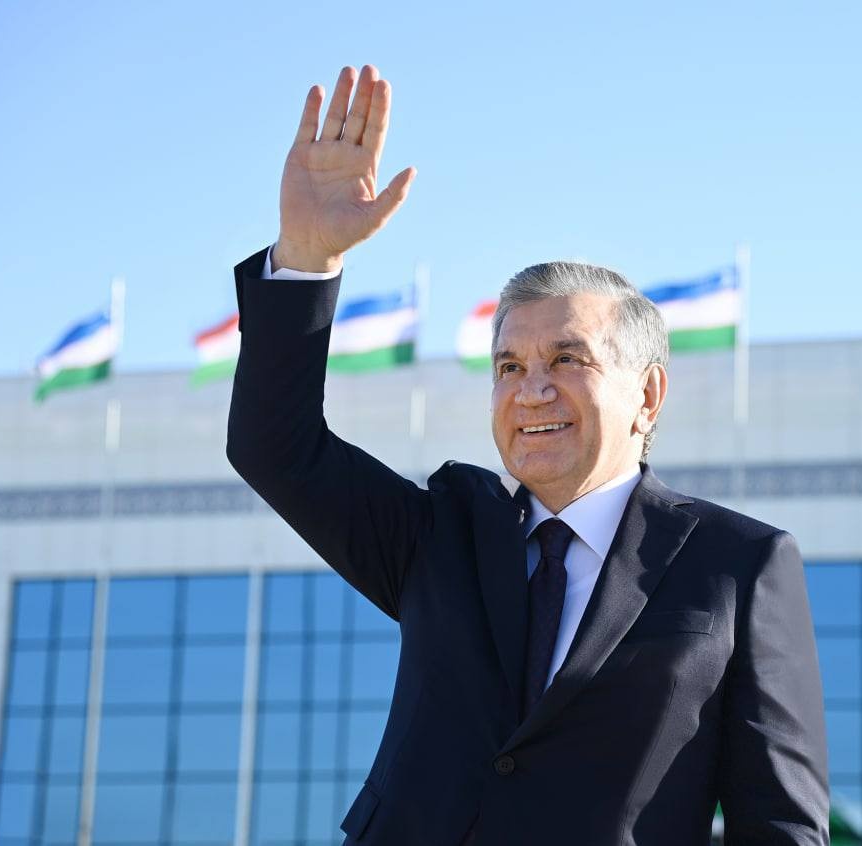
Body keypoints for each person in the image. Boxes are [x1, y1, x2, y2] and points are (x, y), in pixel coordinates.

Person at [226, 64, 829, 846]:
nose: (531, 391)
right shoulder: (439, 536)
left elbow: (780, 827)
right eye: (509, 367)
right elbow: (274, 446)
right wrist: (306, 255)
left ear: (648, 395)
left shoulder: (740, 565)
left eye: (566, 360)